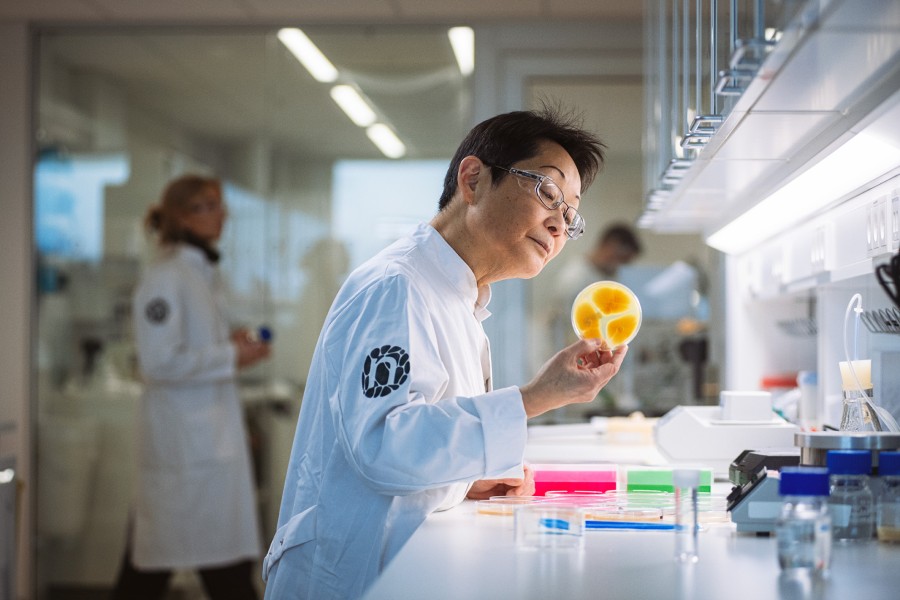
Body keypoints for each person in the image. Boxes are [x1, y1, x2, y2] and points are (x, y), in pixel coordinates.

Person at [261, 106, 628, 600]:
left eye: (570, 214)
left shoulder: (458, 298)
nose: (559, 225)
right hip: (347, 575)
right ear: (474, 180)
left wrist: (462, 479)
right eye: (548, 192)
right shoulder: (396, 286)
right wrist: (533, 398)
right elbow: (382, 445)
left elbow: (407, 450)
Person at [112, 174, 271, 600]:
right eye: (209, 205)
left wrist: (232, 345)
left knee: (167, 567)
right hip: (182, 449)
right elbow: (158, 361)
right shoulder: (166, 278)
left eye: (220, 204)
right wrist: (231, 355)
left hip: (205, 447)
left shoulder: (202, 274)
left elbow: (194, 349)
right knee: (174, 568)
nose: (222, 215)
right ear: (181, 217)